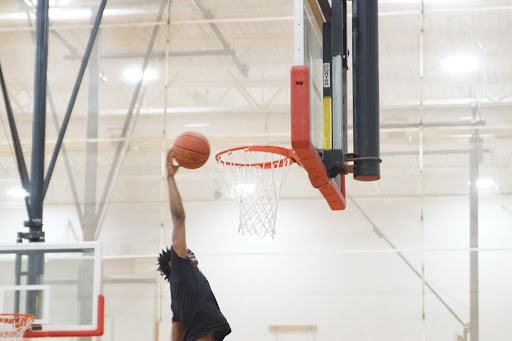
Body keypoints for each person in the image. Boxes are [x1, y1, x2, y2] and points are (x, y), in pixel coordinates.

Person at [158, 149, 231, 341]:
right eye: (186, 251)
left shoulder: (180, 291)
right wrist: (170, 178)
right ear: (172, 263)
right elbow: (179, 217)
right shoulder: (180, 270)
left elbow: (177, 326)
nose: (190, 252)